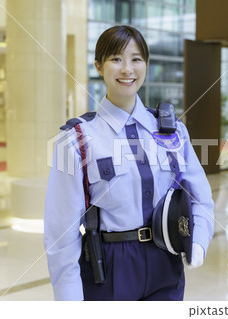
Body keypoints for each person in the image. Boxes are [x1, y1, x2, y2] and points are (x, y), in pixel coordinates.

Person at [44, 25, 214, 301]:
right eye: (115, 59)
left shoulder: (173, 131)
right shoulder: (74, 140)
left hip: (166, 261)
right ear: (99, 66)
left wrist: (197, 242)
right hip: (109, 268)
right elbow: (60, 232)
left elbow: (200, 196)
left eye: (136, 59)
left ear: (146, 64)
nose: (127, 69)